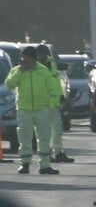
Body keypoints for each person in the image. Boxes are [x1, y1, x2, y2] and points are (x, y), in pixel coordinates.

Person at [4, 46, 61, 174]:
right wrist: (20, 71)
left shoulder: (43, 71)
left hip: (42, 109)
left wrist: (51, 105)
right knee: (24, 138)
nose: (24, 60)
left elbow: (53, 89)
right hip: (24, 110)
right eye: (22, 58)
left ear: (33, 58)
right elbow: (9, 85)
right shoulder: (17, 70)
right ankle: (25, 164)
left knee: (44, 138)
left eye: (26, 58)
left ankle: (45, 165)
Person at [34, 45, 72, 163]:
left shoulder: (51, 64)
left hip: (53, 104)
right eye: (41, 54)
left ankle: (59, 152)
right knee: (43, 132)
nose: (44, 56)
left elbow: (56, 82)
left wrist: (61, 96)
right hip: (41, 104)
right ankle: (45, 154)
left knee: (57, 129)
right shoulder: (34, 67)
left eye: (45, 53)